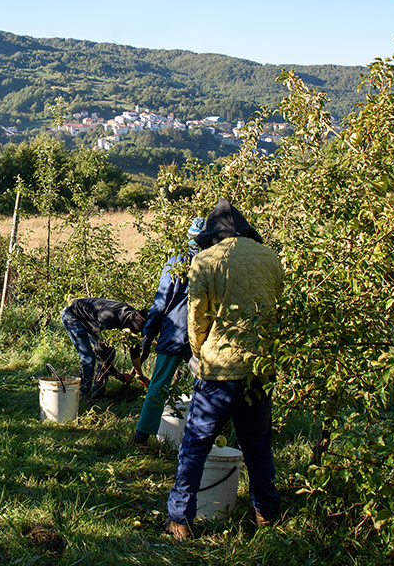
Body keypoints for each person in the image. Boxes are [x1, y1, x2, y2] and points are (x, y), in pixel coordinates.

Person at [165, 199, 283, 540]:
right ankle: (266, 514)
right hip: (260, 366)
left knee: (196, 444)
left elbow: (197, 317)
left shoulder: (204, 260)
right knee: (258, 443)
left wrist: (202, 354)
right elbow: (277, 309)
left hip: (219, 369)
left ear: (214, 235)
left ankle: (180, 520)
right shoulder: (270, 257)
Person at [132, 217, 205, 447]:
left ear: (188, 237)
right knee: (205, 384)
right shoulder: (211, 262)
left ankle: (141, 437)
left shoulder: (176, 262)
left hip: (174, 331)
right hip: (200, 333)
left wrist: (149, 333)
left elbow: (161, 301)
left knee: (159, 384)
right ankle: (200, 438)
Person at [61, 297, 146, 401]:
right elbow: (100, 353)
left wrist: (139, 375)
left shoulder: (134, 316)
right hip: (73, 316)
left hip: (92, 320)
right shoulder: (109, 319)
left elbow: (134, 349)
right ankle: (84, 397)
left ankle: (97, 395)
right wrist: (118, 375)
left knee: (109, 352)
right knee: (88, 358)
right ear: (128, 326)